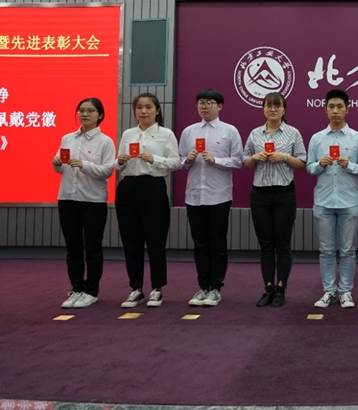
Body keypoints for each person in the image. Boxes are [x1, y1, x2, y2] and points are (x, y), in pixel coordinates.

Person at [178, 89, 244, 307]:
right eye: (201, 103)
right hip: (194, 196)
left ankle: (215, 287)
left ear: (220, 106)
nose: (204, 107)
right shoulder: (189, 131)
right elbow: (180, 162)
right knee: (199, 244)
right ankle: (202, 286)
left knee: (217, 243)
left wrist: (216, 160)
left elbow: (238, 161)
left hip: (219, 195)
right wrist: (187, 160)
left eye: (209, 103)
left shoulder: (229, 131)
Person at [115, 92, 181, 308]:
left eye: (148, 107)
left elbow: (176, 163)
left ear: (157, 110)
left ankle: (157, 288)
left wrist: (154, 158)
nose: (143, 111)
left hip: (153, 187)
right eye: (139, 107)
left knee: (155, 240)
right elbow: (118, 166)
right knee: (131, 241)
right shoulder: (128, 134)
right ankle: (135, 288)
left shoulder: (166, 134)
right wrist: (120, 161)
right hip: (128, 188)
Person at [306, 89, 358, 309]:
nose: (335, 111)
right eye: (331, 107)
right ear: (325, 109)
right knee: (326, 250)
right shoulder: (317, 138)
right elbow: (309, 168)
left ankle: (345, 292)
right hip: (323, 201)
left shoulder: (357, 138)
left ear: (347, 109)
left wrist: (349, 165)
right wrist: (320, 164)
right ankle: (329, 291)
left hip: (348, 201)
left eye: (339, 106)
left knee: (348, 250)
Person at [52, 97, 116, 308]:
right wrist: (56, 163)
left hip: (93, 201)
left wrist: (84, 165)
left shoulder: (105, 141)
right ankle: (77, 287)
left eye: (90, 110)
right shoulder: (67, 138)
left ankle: (91, 291)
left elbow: (107, 170)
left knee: (92, 247)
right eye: (81, 110)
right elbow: (61, 168)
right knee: (73, 247)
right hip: (67, 198)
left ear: (100, 115)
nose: (84, 114)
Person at [244, 92, 307, 307]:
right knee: (265, 244)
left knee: (283, 243)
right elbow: (245, 162)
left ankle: (281, 288)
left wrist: (285, 157)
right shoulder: (255, 134)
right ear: (263, 109)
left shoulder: (293, 133)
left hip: (284, 193)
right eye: (268, 106)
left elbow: (303, 162)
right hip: (260, 194)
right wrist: (255, 157)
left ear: (283, 109)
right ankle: (268, 288)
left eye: (277, 106)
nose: (272, 109)